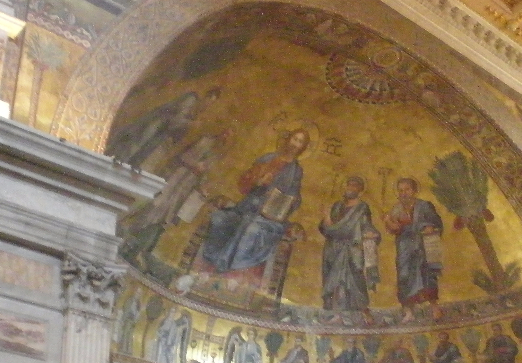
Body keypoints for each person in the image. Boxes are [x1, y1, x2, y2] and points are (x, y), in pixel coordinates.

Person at [201, 128, 309, 275]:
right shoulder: (268, 159)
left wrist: (289, 199)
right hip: (247, 207)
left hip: (269, 217)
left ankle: (226, 264)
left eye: (300, 142)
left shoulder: (296, 171)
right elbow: (243, 183)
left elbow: (295, 198)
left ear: (303, 147)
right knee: (219, 218)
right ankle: (211, 259)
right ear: (288, 139)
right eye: (294, 139)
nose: (295, 144)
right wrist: (258, 182)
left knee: (250, 227)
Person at [120, 129, 230, 268]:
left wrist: (203, 186)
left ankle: (138, 250)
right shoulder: (205, 142)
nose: (224, 139)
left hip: (186, 186)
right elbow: (184, 157)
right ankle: (128, 243)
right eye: (225, 134)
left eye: (227, 138)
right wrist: (195, 166)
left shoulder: (216, 156)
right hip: (177, 178)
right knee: (155, 208)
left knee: (166, 218)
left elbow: (205, 176)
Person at [106, 87, 221, 168]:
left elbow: (177, 130)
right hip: (157, 122)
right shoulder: (191, 99)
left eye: (211, 104)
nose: (208, 105)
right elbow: (174, 121)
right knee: (137, 143)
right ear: (206, 97)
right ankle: (117, 162)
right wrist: (190, 123)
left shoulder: (195, 113)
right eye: (209, 101)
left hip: (162, 132)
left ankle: (126, 167)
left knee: (146, 152)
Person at [382, 177, 443, 322]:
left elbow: (435, 221)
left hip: (422, 245)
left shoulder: (424, 206)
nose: (404, 193)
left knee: (427, 275)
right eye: (400, 190)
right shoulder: (396, 209)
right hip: (405, 247)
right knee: (404, 276)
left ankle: (434, 308)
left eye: (407, 189)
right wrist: (388, 221)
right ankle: (408, 311)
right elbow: (394, 229)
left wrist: (427, 226)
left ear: (414, 191)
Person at [320, 176, 380, 321]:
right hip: (333, 249)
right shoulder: (337, 206)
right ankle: (337, 314)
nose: (350, 188)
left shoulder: (362, 208)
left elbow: (366, 226)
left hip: (352, 250)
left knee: (355, 281)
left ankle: (365, 312)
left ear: (360, 190)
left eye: (354, 186)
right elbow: (325, 228)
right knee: (335, 282)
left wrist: (372, 234)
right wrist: (326, 218)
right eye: (349, 185)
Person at [114, 289, 141, 355]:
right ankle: (123, 349)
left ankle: (128, 350)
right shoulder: (130, 300)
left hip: (133, 321)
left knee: (130, 335)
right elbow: (126, 309)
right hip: (128, 320)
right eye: (138, 293)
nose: (138, 295)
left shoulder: (138, 303)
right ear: (135, 293)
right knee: (125, 334)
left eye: (139, 294)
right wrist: (124, 319)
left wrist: (136, 319)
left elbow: (137, 312)